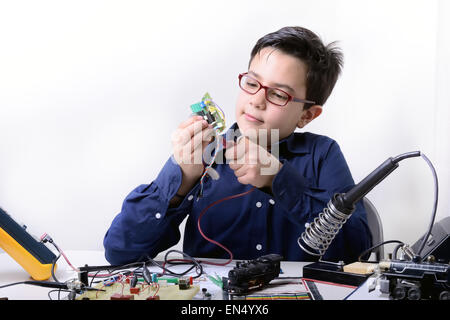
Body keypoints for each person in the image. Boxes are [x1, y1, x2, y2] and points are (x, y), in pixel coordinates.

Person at [103, 26, 372, 265]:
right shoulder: (204, 150)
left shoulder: (322, 155)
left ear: (307, 115)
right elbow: (120, 251)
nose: (256, 100)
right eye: (252, 83)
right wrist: (181, 180)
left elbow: (355, 251)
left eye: (278, 94)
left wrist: (277, 180)